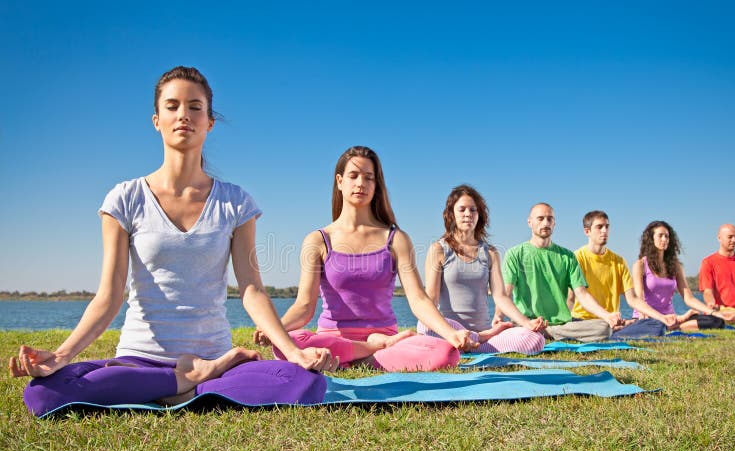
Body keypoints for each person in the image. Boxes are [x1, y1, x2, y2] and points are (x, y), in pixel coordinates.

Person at [9, 66, 335, 417]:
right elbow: (110, 294)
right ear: (156, 120)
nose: (184, 115)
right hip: (139, 356)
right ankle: (184, 383)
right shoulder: (125, 198)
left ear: (209, 122)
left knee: (305, 382)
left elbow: (251, 290)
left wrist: (293, 351)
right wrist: (60, 356)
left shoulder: (235, 202)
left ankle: (199, 375)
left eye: (195, 107)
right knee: (43, 394)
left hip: (212, 353)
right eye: (172, 106)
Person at [254, 146, 478, 371]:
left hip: (385, 339)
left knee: (446, 353)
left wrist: (451, 333)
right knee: (289, 343)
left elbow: (418, 299)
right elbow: (304, 306)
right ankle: (369, 353)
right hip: (337, 340)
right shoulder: (318, 240)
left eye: (368, 178)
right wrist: (275, 329)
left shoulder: (396, 239)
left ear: (376, 185)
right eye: (353, 176)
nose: (361, 183)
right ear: (340, 181)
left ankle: (353, 359)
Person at [416, 185, 545, 354]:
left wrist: (527, 323)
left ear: (479, 215)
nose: (468, 214)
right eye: (462, 209)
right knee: (424, 325)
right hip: (450, 332)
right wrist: (447, 330)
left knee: (536, 340)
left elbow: (500, 296)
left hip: (485, 332)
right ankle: (475, 340)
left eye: (473, 210)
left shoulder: (490, 253)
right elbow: (431, 299)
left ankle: (475, 342)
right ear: (451, 214)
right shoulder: (438, 250)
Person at [498, 203, 624, 342]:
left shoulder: (568, 256)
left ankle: (548, 332)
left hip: (561, 324)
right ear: (530, 222)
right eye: (540, 218)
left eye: (549, 219)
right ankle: (540, 332)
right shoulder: (514, 254)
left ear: (554, 223)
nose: (546, 223)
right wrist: (501, 317)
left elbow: (582, 294)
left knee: (604, 327)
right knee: (518, 329)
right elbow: (505, 295)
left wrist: (607, 316)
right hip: (526, 323)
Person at [568, 211, 680, 338]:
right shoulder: (577, 258)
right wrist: (606, 316)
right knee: (603, 328)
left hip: (610, 323)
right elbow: (577, 296)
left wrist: (662, 317)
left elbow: (632, 299)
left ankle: (615, 331)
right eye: (599, 227)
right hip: (584, 322)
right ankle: (612, 332)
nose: (604, 230)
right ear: (587, 231)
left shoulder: (619, 261)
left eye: (607, 226)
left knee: (657, 326)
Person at [631, 221, 734, 332]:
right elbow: (639, 299)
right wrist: (654, 316)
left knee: (716, 321)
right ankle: (671, 326)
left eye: (667, 236)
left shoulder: (675, 265)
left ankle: (674, 327)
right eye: (660, 236)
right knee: (653, 325)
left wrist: (715, 313)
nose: (664, 239)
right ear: (651, 239)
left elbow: (688, 298)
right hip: (648, 317)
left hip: (671, 318)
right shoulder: (640, 265)